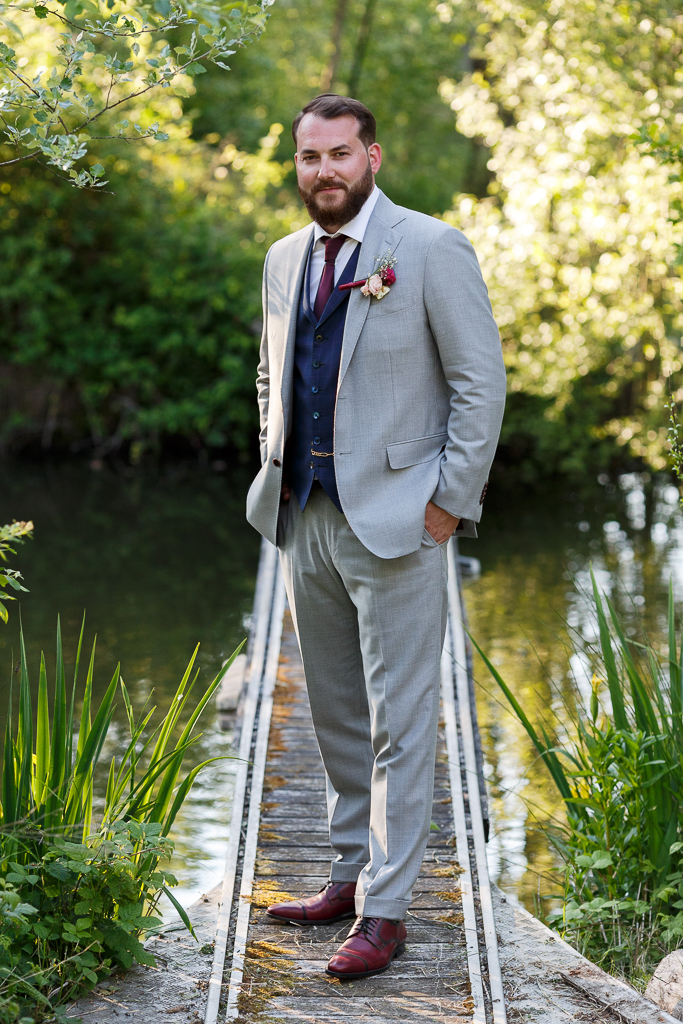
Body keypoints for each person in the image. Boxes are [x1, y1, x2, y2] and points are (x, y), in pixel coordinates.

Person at [246, 93, 506, 980]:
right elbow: (268, 370)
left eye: (338, 155)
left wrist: (448, 503)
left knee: (400, 722)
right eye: (308, 157)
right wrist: (272, 456)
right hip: (303, 515)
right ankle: (347, 873)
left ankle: (386, 914)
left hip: (399, 518)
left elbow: (480, 385)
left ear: (373, 156)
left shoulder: (430, 249)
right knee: (333, 712)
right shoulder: (284, 258)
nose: (323, 171)